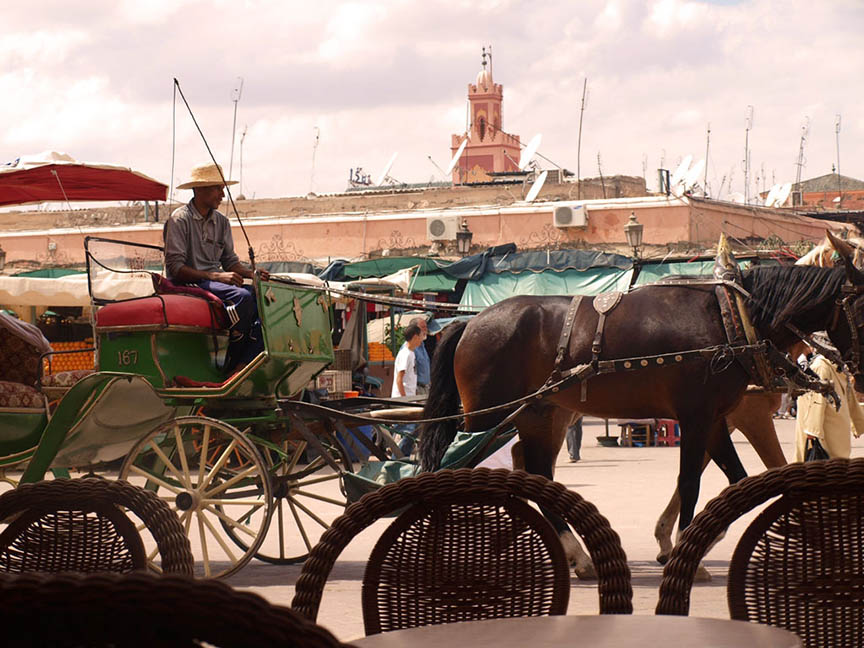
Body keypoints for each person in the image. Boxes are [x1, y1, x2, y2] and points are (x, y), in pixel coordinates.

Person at [164, 162, 268, 373]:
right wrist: (217, 276)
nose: (222, 194)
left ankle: (245, 362)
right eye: (217, 188)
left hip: (214, 281)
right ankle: (232, 362)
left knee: (264, 300)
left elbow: (230, 261)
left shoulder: (222, 222)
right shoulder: (179, 220)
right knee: (242, 297)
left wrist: (251, 273)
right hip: (188, 283)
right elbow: (176, 268)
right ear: (199, 190)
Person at [794, 352, 864, 461]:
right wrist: (813, 431)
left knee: (838, 461)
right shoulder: (821, 366)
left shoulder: (838, 366)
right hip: (826, 429)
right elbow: (817, 400)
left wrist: (857, 423)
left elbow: (849, 396)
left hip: (837, 426)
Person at [391, 324, 423, 456]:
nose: (422, 339)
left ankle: (401, 457)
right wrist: (405, 400)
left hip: (408, 399)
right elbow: (400, 379)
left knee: (410, 431)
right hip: (403, 400)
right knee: (408, 432)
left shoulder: (411, 353)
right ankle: (397, 458)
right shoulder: (406, 354)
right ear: (415, 337)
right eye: (421, 336)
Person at [408, 317, 431, 395]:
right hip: (417, 389)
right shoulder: (410, 349)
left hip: (426, 388)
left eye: (426, 327)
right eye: (423, 327)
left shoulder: (422, 345)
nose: (426, 330)